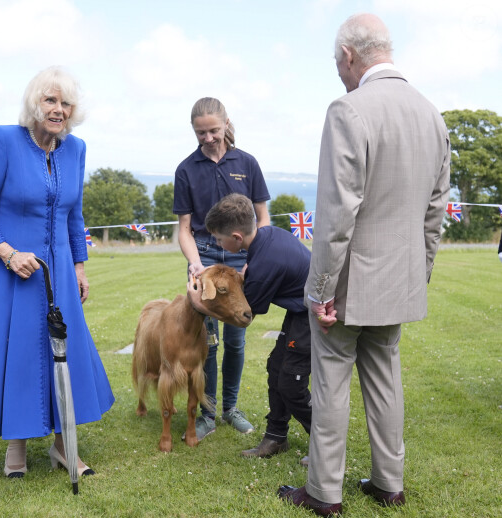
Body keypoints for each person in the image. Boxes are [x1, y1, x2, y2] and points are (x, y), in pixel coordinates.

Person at [277, 14, 450, 516]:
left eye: (337, 64)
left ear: (350, 56)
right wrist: (421, 272)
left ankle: (324, 492)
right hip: (401, 278)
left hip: (349, 282)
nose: (339, 74)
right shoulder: (432, 115)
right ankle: (388, 483)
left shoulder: (348, 110)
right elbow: (435, 213)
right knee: (384, 378)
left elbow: (336, 212)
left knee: (330, 381)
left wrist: (320, 288)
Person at [0, 66, 115, 479]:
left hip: (59, 272)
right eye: (50, 100)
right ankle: (16, 447)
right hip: (9, 273)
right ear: (34, 103)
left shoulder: (75, 149)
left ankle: (64, 447)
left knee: (65, 355)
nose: (58, 110)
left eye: (66, 103)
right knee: (19, 353)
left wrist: (79, 265)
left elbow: (74, 214)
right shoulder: (2, 140)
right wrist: (8, 254)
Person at [189, 193, 312, 464]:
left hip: (314, 317)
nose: (218, 244)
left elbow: (244, 317)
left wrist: (200, 304)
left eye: (219, 240)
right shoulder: (266, 237)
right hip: (301, 312)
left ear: (236, 237)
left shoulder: (264, 263)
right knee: (276, 368)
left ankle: (325, 444)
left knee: (291, 382)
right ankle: (276, 437)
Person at [173, 97, 271, 440]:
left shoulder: (247, 162)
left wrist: (254, 259)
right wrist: (196, 264)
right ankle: (208, 413)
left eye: (214, 130)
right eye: (201, 133)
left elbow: (263, 219)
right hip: (204, 258)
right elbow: (184, 228)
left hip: (242, 258)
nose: (208, 138)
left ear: (226, 123)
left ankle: (230, 408)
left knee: (237, 338)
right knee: (207, 342)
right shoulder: (186, 169)